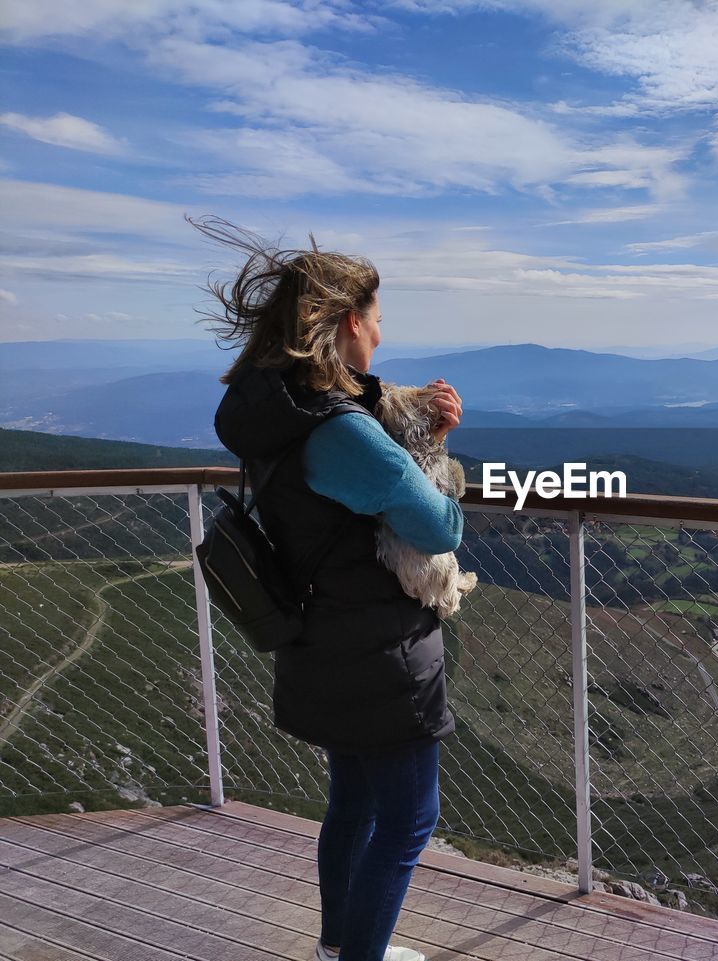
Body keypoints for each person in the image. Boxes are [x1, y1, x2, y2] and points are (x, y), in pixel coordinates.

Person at [196, 216, 464, 961]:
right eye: (377, 322)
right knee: (410, 819)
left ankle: (338, 950)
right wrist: (441, 452)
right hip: (378, 652)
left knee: (352, 803)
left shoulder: (282, 412)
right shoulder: (341, 433)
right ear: (349, 321)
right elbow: (439, 526)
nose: (380, 336)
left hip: (323, 638)